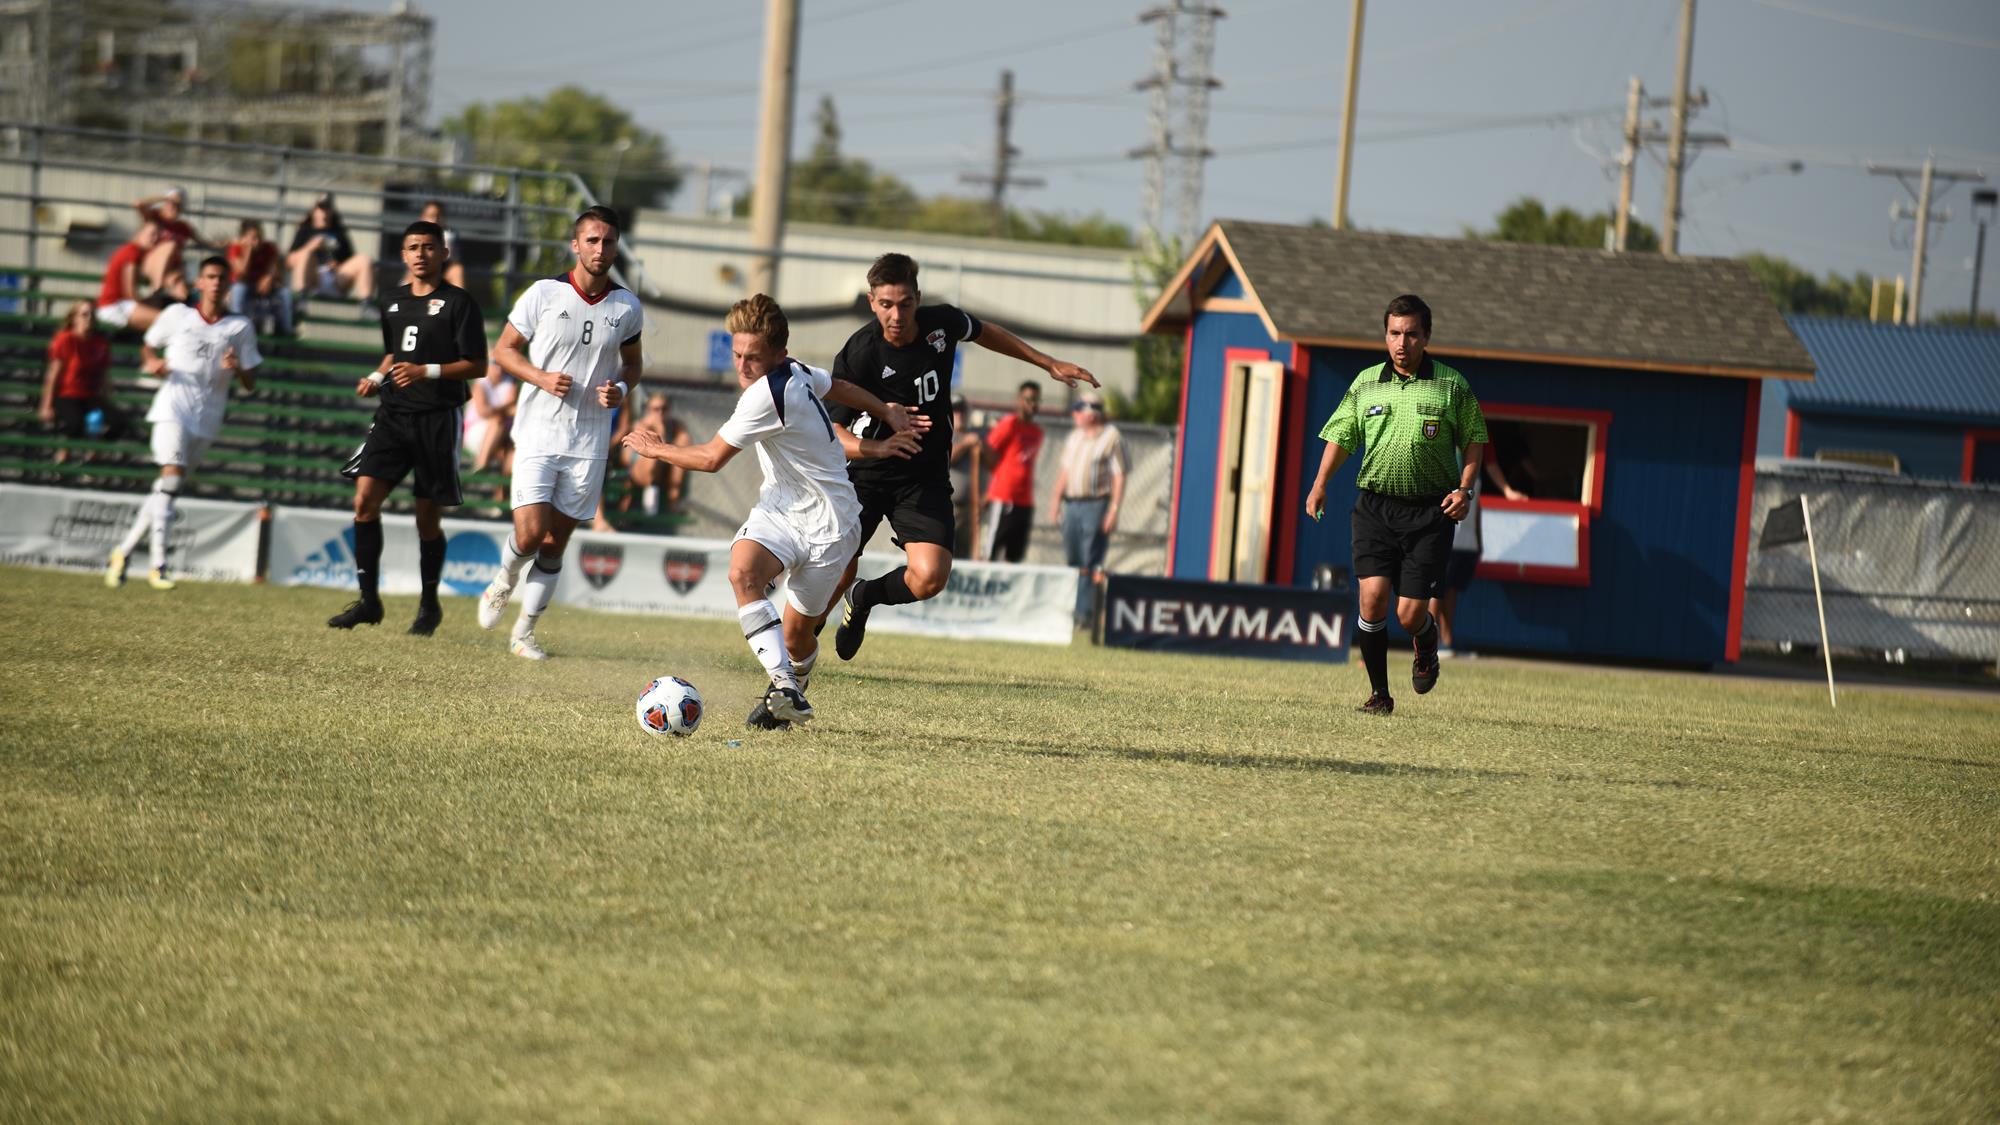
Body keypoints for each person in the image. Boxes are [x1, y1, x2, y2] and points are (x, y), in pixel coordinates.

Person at [621, 294, 922, 728]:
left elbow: (710, 459)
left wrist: (657, 449)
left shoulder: (768, 394)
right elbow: (834, 384)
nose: (742, 365)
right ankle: (785, 688)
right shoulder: (794, 370)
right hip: (781, 508)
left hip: (832, 525)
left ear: (777, 354)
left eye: (753, 357)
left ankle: (788, 696)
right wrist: (884, 409)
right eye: (737, 354)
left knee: (798, 638)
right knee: (743, 573)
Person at [823, 252, 1099, 662]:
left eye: (905, 303)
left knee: (930, 577)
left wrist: (1048, 362)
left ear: (917, 298)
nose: (896, 315)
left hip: (924, 477)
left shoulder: (942, 324)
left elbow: (988, 332)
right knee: (833, 574)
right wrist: (879, 446)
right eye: (886, 305)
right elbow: (832, 432)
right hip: (865, 474)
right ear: (871, 302)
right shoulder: (860, 352)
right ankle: (797, 656)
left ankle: (864, 596)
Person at [1304, 293, 1488, 716]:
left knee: (1408, 614)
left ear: (1426, 336)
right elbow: (1341, 435)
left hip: (1429, 513)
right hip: (1375, 508)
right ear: (1385, 335)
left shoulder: (1451, 385)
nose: (1401, 343)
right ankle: (1379, 695)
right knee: (1371, 599)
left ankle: (1425, 642)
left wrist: (1465, 489)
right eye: (1393, 333)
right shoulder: (1366, 382)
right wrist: (1319, 484)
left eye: (1410, 334)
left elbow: (1475, 438)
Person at [474, 205, 643, 660]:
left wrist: (622, 389)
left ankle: (524, 634)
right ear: (575, 244)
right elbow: (504, 351)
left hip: (589, 441)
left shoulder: (627, 306)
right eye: (592, 240)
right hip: (538, 433)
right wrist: (541, 377)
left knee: (554, 543)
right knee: (529, 535)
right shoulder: (544, 293)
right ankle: (503, 581)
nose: (600, 248)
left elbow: (634, 364)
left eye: (608, 241)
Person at [325, 220, 490, 635]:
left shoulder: (459, 303)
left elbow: (478, 365)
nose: (421, 254)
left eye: (429, 247)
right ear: (403, 255)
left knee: (426, 519)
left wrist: (427, 371)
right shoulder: (392, 301)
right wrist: (377, 378)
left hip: (437, 418)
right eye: (413, 247)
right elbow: (392, 352)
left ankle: (429, 606)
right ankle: (368, 601)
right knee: (364, 501)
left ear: (443, 254)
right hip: (393, 416)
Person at [104, 257, 261, 590]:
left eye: (222, 278)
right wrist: (153, 363)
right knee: (171, 483)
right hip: (172, 409)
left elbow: (251, 382)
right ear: (199, 283)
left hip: (207, 418)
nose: (216, 283)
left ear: (229, 285)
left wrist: (238, 369)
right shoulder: (177, 315)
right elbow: (149, 345)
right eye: (210, 277)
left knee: (166, 492)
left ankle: (123, 551)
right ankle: (159, 565)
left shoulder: (240, 327)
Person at [1427, 458, 1525, 657]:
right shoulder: (1444, 460)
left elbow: (1476, 505)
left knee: (1451, 589)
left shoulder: (1477, 464)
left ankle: (1447, 641)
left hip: (1467, 541)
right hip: (1446, 538)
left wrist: (1480, 540)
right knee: (1437, 589)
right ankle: (1429, 642)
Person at [1048, 392, 1126, 629]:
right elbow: (1065, 471)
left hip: (1096, 504)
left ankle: (1084, 614)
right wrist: (1055, 500)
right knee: (1073, 559)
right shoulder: (1075, 437)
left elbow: (1119, 475)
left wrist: (1113, 510)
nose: (1076, 414)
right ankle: (1071, 610)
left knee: (1090, 560)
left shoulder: (1111, 437)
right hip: (1072, 504)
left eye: (1080, 409)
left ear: (1093, 411)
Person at [40, 301, 134, 458]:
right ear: (74, 318)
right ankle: (63, 452)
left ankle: (94, 451)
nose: (89, 318)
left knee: (118, 422)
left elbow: (104, 376)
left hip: (90, 396)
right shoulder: (65, 339)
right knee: (76, 423)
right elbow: (54, 374)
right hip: (67, 394)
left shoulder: (100, 343)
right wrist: (46, 405)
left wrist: (107, 400)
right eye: (84, 314)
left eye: (91, 314)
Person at [983, 380, 1045, 562]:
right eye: (1027, 400)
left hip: (1024, 500)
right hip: (1004, 497)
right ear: (1019, 400)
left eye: (1035, 400)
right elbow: (989, 452)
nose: (1031, 405)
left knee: (1015, 555)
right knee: (992, 551)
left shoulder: (1036, 432)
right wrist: (992, 487)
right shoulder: (1009, 425)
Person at [287, 194, 375, 305]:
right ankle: (301, 301)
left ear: (332, 211)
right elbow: (289, 262)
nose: (324, 212)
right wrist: (310, 247)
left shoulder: (339, 232)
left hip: (336, 280)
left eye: (327, 208)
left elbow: (350, 260)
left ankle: (367, 304)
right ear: (314, 210)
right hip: (313, 278)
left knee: (364, 259)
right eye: (321, 208)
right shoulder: (304, 231)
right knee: (305, 254)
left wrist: (338, 265)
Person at [618, 390, 692, 517]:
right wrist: (660, 431)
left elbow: (684, 446)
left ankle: (673, 497)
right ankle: (660, 501)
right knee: (654, 456)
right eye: (656, 409)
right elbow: (628, 458)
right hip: (639, 471)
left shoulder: (677, 426)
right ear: (648, 410)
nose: (660, 413)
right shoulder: (641, 425)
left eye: (664, 409)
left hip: (665, 472)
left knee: (681, 451)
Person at [95, 221, 176, 334]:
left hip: (117, 305)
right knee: (167, 321)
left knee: (162, 324)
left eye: (157, 235)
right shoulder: (132, 252)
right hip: (114, 307)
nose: (155, 238)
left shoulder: (132, 251)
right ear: (139, 233)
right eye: (152, 234)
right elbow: (130, 293)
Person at [225, 219, 294, 336]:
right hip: (245, 287)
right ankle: (236, 328)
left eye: (259, 237)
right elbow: (240, 274)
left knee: (285, 293)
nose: (257, 241)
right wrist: (248, 251)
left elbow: (277, 272)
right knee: (238, 289)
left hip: (264, 288)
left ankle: (286, 329)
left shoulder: (269, 248)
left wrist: (269, 278)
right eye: (253, 238)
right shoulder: (235, 249)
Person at [132, 187, 204, 293]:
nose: (174, 207)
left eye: (178, 205)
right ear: (165, 203)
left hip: (172, 269)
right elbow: (138, 204)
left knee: (181, 290)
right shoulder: (154, 216)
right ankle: (157, 288)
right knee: (170, 246)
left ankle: (167, 297)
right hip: (149, 263)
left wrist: (225, 243)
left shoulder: (183, 227)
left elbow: (203, 242)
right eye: (172, 203)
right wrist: (165, 198)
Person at [464, 360, 518, 476]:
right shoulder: (479, 385)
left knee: (511, 448)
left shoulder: (511, 383)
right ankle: (481, 464)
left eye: (501, 363)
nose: (498, 368)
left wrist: (496, 410)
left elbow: (515, 410)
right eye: (494, 363)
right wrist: (506, 407)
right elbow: (483, 412)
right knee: (497, 421)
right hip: (476, 435)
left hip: (502, 435)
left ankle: (502, 491)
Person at [403, 201, 467, 290]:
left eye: (438, 216)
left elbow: (453, 261)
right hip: (420, 269)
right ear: (422, 217)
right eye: (431, 216)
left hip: (442, 271)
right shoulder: (412, 235)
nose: (435, 220)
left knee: (457, 270)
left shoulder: (449, 235)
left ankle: (460, 301)